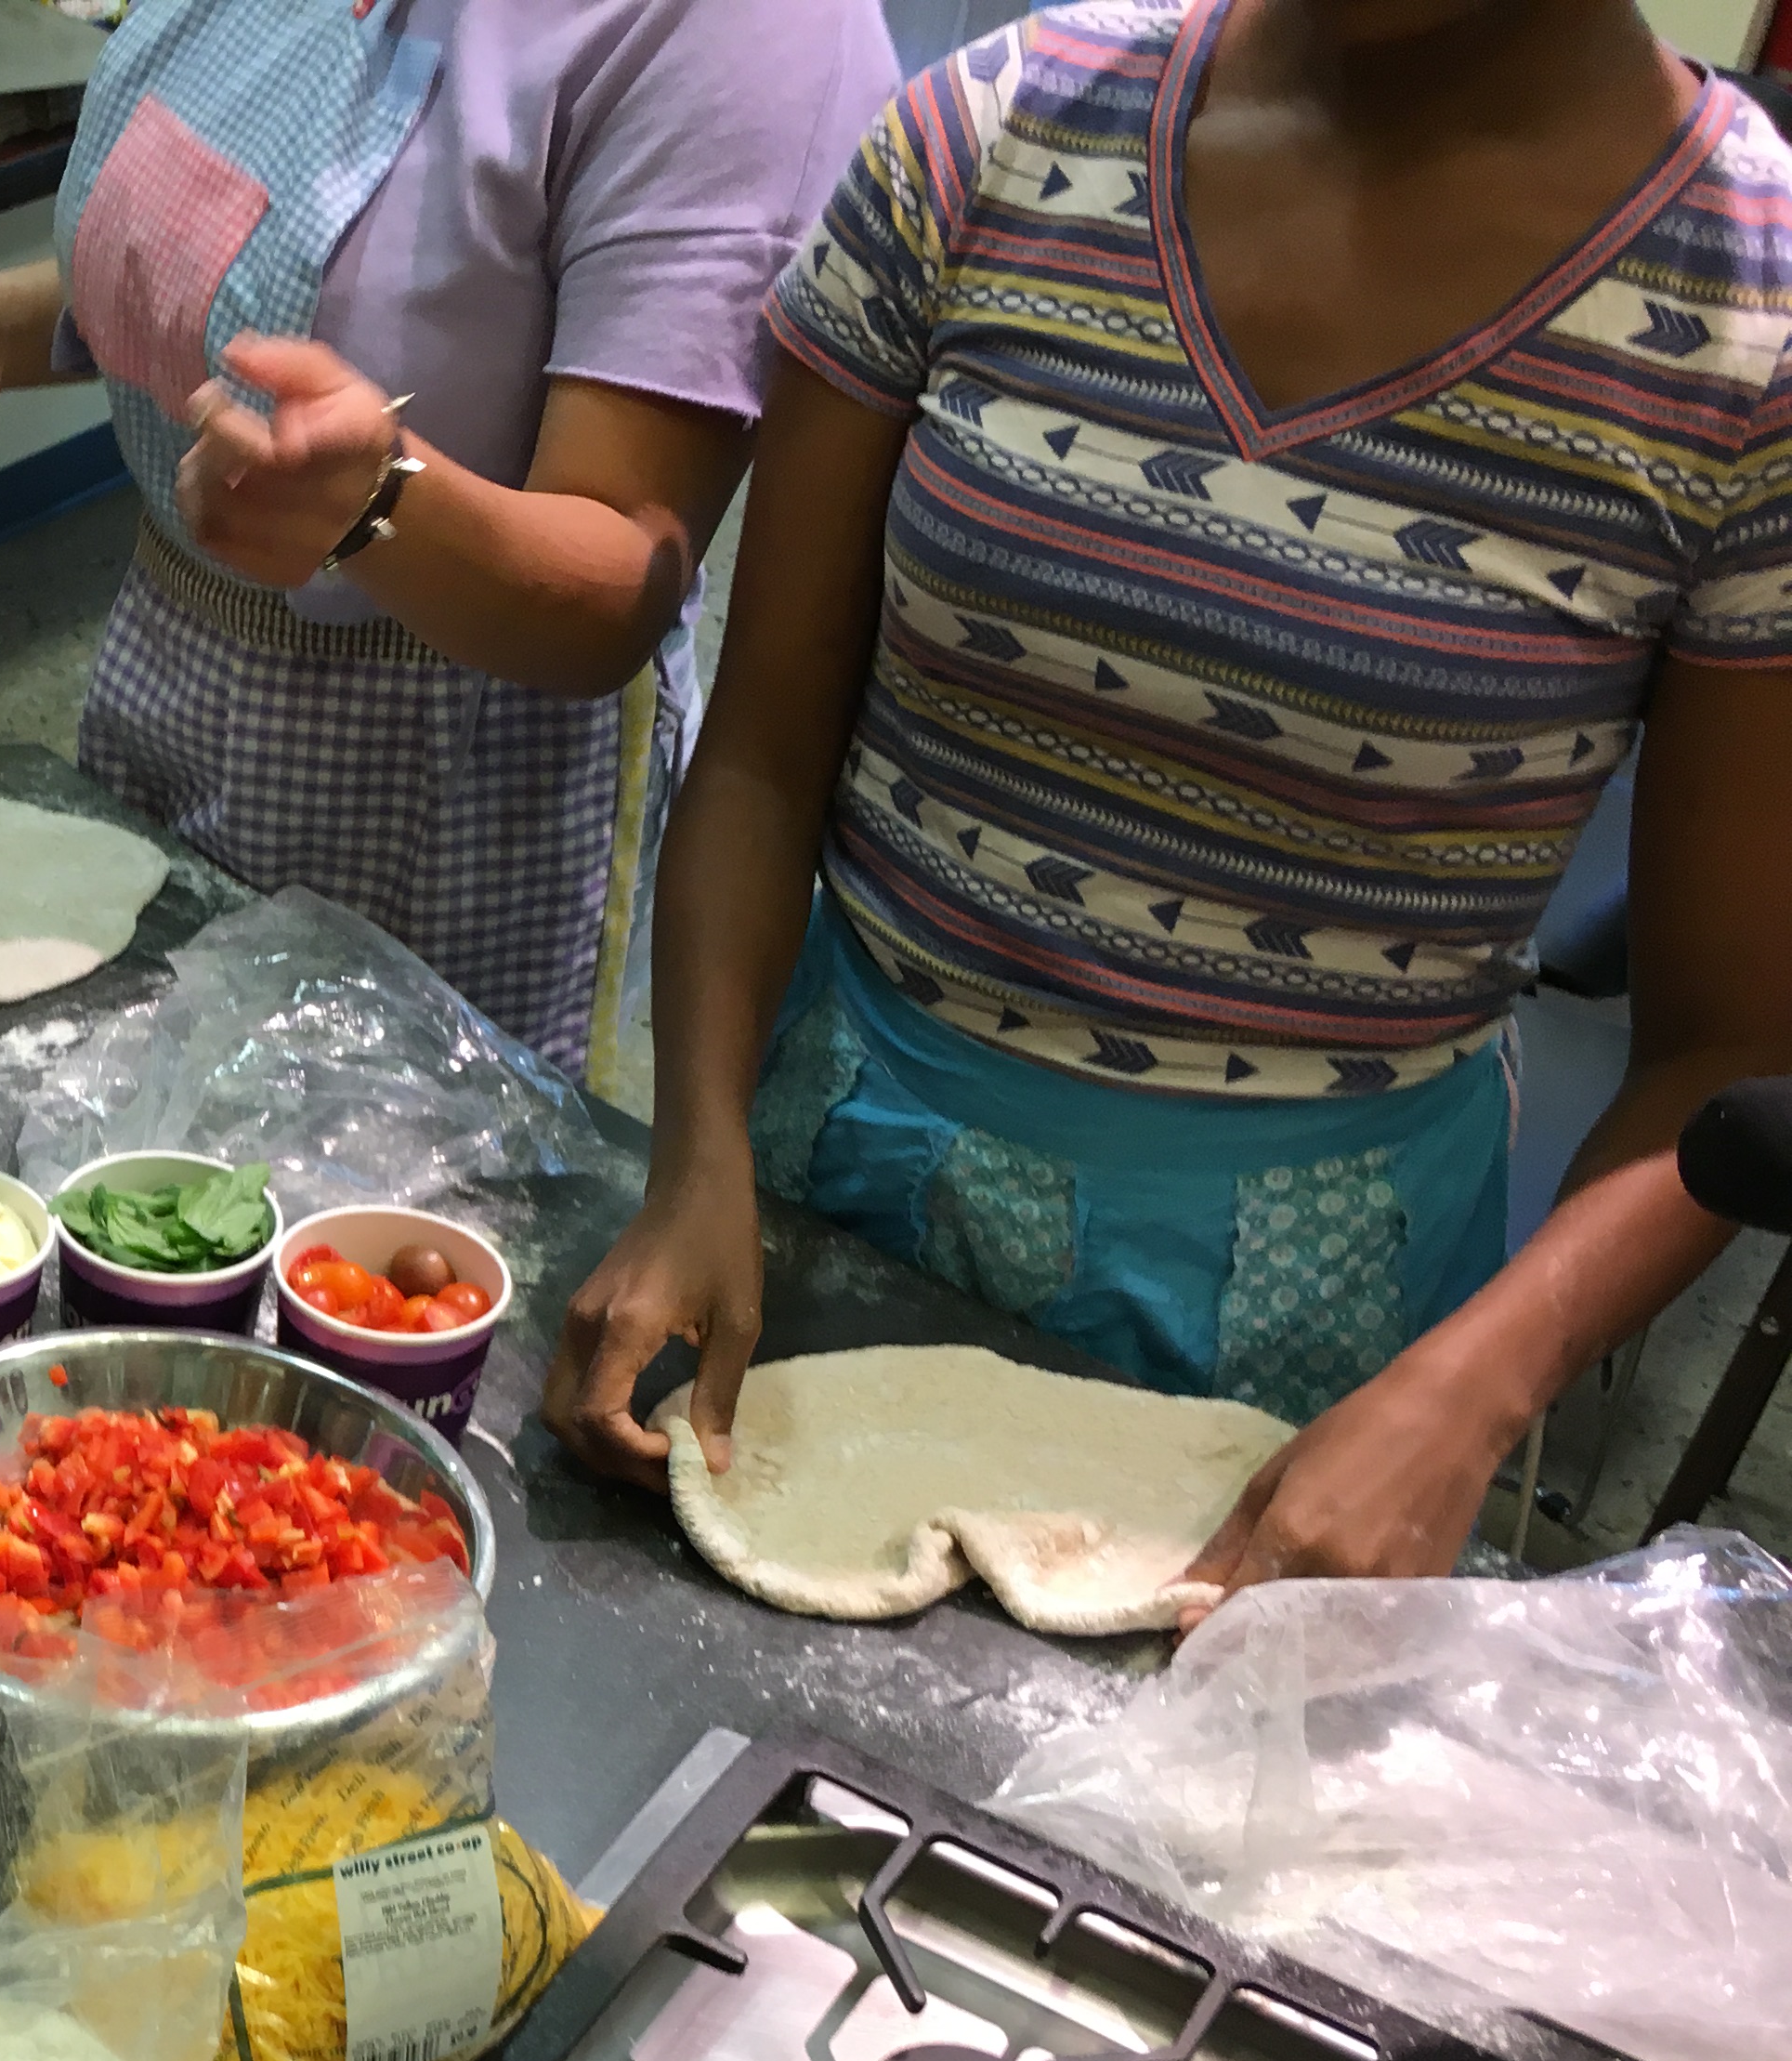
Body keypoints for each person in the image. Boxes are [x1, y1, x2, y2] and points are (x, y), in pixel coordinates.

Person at [546, 0, 1792, 1615]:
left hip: (1320, 1302)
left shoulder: (1745, 328)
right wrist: (695, 1149)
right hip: (836, 1166)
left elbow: (1726, 1048)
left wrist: (1483, 1377)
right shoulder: (988, 138)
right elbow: (770, 744)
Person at [0, 0, 897, 1100]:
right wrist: (16, 326)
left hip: (447, 780)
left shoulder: (742, 30)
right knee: (134, 1148)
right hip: (166, 681)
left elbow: (621, 572)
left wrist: (379, 509)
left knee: (368, 1204)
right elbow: (292, 251)